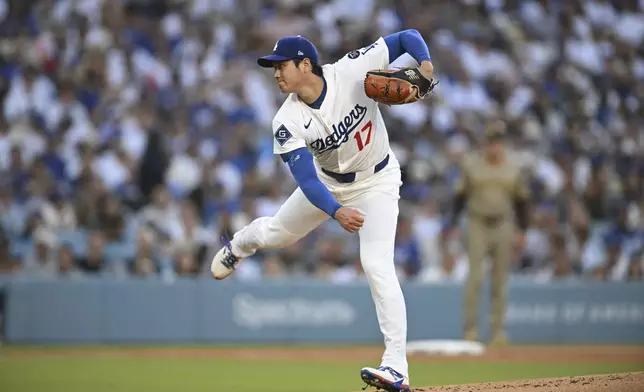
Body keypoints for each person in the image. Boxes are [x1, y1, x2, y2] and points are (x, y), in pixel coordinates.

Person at [210, 31, 435, 392]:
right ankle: (239, 245)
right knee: (276, 235)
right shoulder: (287, 119)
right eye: (273, 68)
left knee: (377, 265)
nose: (276, 73)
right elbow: (306, 181)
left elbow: (408, 37)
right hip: (328, 185)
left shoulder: (350, 70)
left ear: (304, 64)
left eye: (281, 65)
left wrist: (424, 66)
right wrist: (335, 211)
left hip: (377, 180)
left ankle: (396, 367)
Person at [445, 121, 530, 346]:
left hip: (504, 223)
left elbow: (522, 201)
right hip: (477, 223)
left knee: (500, 279)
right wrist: (453, 223)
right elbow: (460, 197)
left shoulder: (513, 167)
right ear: (485, 144)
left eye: (498, 142)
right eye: (491, 142)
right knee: (475, 277)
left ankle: (498, 331)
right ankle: (470, 330)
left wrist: (523, 230)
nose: (494, 147)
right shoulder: (472, 165)